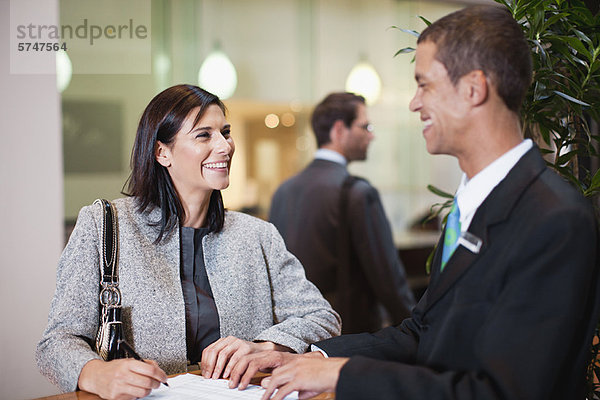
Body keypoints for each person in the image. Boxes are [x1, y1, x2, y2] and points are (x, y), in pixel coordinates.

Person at [226, 5, 600, 399]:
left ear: (474, 88)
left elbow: (506, 392)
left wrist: (345, 377)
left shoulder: (554, 219)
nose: (414, 103)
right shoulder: (470, 204)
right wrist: (311, 355)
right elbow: (422, 332)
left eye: (424, 85)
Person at [36, 84, 341, 400]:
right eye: (204, 135)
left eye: (225, 132)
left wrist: (266, 347)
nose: (225, 146)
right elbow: (56, 342)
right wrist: (95, 373)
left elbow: (324, 318)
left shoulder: (257, 235)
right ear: (161, 152)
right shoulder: (103, 225)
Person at [269, 92, 415, 334]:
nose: (372, 135)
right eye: (365, 126)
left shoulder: (284, 191)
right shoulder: (356, 192)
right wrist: (417, 329)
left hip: (297, 332)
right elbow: (387, 277)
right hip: (348, 332)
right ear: (339, 130)